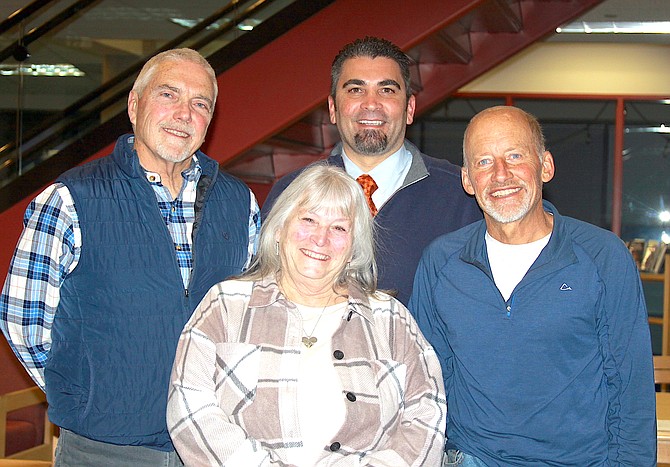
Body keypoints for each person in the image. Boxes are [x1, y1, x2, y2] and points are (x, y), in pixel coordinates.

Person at [0, 48, 260, 466]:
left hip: (211, 445)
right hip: (103, 451)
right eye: (168, 95)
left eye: (200, 104)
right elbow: (21, 316)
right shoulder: (71, 199)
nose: (183, 113)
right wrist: (85, 394)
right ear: (135, 105)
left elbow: (252, 316)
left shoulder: (240, 204)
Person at [409, 105, 656, 466]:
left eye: (514, 155)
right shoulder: (440, 262)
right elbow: (428, 383)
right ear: (466, 180)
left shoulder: (603, 257)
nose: (501, 174)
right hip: (472, 458)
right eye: (483, 162)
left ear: (546, 166)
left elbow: (630, 389)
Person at [167, 164, 446, 466]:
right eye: (309, 219)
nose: (320, 238)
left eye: (339, 227)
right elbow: (189, 405)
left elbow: (427, 415)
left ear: (354, 248)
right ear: (279, 229)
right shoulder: (225, 305)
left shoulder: (391, 319)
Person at [262, 36, 481, 305]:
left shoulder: (462, 196)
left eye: (387, 90)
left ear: (409, 108)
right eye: (355, 90)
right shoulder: (291, 194)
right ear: (332, 108)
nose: (371, 103)